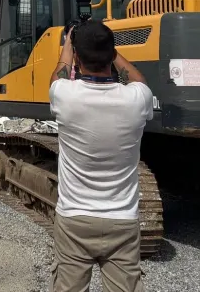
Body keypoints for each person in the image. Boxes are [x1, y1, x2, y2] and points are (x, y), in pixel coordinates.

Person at [48, 20, 153, 292]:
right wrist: (111, 50)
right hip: (122, 220)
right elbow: (139, 80)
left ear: (77, 58)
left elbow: (57, 76)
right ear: (111, 54)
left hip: (74, 219)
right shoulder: (137, 99)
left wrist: (69, 45)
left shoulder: (64, 96)